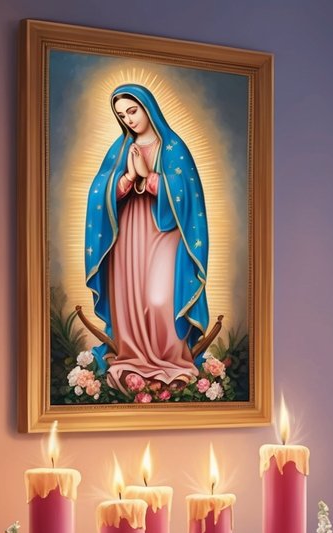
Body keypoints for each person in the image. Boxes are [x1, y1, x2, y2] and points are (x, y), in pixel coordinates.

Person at [84, 83, 210, 391]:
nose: (128, 119)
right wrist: (128, 177)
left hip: (165, 233)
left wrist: (149, 176)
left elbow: (187, 196)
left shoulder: (174, 147)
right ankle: (133, 361)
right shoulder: (120, 150)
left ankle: (172, 363)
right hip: (128, 234)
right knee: (130, 298)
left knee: (158, 300)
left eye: (132, 111)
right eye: (122, 115)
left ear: (147, 107)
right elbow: (99, 193)